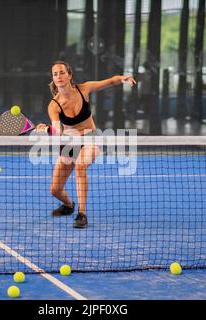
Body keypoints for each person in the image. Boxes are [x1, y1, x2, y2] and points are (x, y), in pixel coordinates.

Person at [36, 60, 136, 229]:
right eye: (55, 74)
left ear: (69, 74)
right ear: (53, 78)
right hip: (69, 143)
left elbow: (110, 81)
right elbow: (57, 132)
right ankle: (68, 205)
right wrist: (46, 129)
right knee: (54, 190)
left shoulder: (84, 89)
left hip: (91, 138)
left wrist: (123, 79)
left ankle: (81, 214)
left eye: (62, 72)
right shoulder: (54, 105)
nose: (59, 76)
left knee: (80, 165)